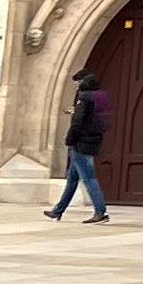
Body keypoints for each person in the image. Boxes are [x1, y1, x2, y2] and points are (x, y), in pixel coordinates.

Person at [48, 74, 111, 225]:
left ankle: (100, 212)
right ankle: (58, 211)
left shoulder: (83, 97)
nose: (76, 85)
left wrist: (70, 139)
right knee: (72, 178)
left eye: (77, 82)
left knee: (89, 178)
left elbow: (78, 121)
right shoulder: (101, 97)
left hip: (80, 143)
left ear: (82, 82)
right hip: (93, 140)